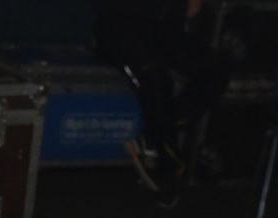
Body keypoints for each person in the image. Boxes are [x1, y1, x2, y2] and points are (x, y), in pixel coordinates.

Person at [91, 0, 230, 207]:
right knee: (156, 77)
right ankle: (163, 163)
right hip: (119, 29)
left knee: (217, 68)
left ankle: (160, 136)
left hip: (164, 32)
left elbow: (192, 10)